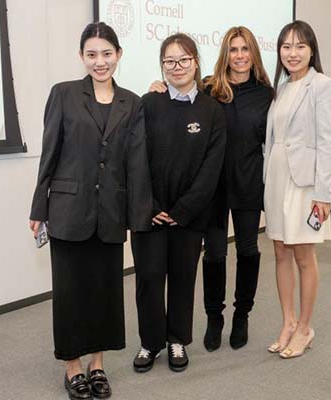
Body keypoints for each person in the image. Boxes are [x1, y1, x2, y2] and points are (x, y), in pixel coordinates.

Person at [29, 22, 152, 399]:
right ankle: (72, 367)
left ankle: (97, 364)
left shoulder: (131, 101)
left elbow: (137, 162)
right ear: (82, 56)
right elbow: (49, 152)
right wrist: (38, 207)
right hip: (67, 210)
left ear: (119, 55)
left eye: (107, 53)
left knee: (103, 292)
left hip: (110, 213)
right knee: (70, 293)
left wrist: (139, 216)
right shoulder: (64, 94)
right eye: (92, 54)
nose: (100, 61)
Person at [149, 26, 274, 352]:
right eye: (233, 50)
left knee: (248, 251)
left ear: (254, 54)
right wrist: (157, 86)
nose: (239, 56)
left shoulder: (266, 94)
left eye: (245, 49)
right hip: (213, 190)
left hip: (248, 184)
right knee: (215, 254)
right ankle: (214, 317)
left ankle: (242, 314)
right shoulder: (209, 88)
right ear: (225, 54)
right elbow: (180, 98)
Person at [131, 33, 226, 374]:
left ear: (196, 62)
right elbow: (136, 157)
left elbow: (211, 168)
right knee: (149, 277)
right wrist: (152, 204)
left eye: (183, 60)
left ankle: (176, 340)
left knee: (184, 278)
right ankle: (150, 342)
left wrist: (183, 210)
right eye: (169, 61)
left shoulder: (212, 110)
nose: (177, 67)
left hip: (190, 215)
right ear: (162, 66)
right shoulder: (148, 103)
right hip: (149, 212)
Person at [262, 20, 331, 359]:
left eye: (299, 46)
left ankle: (306, 327)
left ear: (312, 50)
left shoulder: (323, 85)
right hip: (277, 178)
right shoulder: (281, 87)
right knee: (280, 253)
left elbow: (328, 142)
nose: (292, 53)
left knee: (304, 256)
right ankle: (288, 322)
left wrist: (324, 193)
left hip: (306, 183)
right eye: (286, 47)